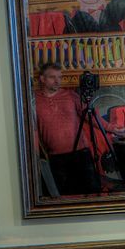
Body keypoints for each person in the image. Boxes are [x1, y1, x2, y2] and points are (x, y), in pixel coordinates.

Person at [30, 62, 97, 195]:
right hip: (56, 159)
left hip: (81, 154)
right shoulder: (33, 100)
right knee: (63, 196)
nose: (57, 81)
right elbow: (34, 131)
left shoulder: (71, 96)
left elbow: (89, 115)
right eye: (52, 77)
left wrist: (111, 127)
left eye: (59, 77)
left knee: (90, 193)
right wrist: (35, 156)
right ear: (42, 79)